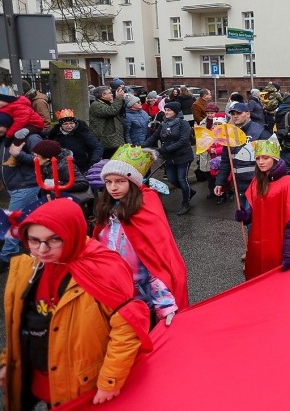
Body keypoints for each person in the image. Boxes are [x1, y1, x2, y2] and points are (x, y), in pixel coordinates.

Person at [1, 198, 151, 409]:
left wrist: (110, 380)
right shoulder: (28, 265)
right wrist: (11, 361)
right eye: (34, 240)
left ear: (72, 233)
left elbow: (128, 328)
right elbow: (20, 321)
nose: (42, 250)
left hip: (79, 387)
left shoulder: (103, 269)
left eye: (54, 239)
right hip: (38, 380)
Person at [94, 145, 189, 328]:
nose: (113, 187)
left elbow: (156, 263)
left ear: (132, 182)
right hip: (113, 297)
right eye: (108, 181)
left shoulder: (145, 209)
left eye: (120, 181)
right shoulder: (106, 213)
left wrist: (166, 304)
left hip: (143, 300)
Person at [238, 138, 290, 280]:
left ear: (275, 158)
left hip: (278, 245)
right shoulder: (257, 181)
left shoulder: (289, 184)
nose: (260, 162)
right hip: (258, 241)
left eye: (265, 158)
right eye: (257, 158)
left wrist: (289, 253)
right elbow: (255, 209)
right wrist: (246, 216)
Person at [0, 112, 45, 272]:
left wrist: (18, 154)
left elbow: (42, 160)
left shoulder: (31, 137)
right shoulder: (6, 139)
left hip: (26, 186)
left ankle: (6, 257)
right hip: (14, 186)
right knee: (32, 218)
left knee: (12, 220)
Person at [213, 102, 273, 213]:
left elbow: (274, 158)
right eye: (233, 113)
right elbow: (226, 161)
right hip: (238, 184)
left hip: (257, 183)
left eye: (239, 113)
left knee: (255, 219)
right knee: (246, 218)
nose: (235, 116)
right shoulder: (229, 134)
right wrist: (220, 182)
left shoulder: (260, 132)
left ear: (248, 114)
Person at [143, 101, 196, 215]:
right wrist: (142, 145)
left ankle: (185, 203)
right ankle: (189, 191)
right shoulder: (163, 124)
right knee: (172, 179)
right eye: (165, 110)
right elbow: (154, 137)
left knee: (182, 179)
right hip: (169, 157)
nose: (166, 112)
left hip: (183, 156)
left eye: (169, 110)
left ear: (175, 112)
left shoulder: (183, 124)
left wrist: (164, 149)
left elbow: (183, 141)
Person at [45, 109, 103, 174]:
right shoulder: (54, 134)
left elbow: (97, 147)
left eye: (71, 123)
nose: (69, 126)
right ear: (61, 125)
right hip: (61, 167)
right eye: (65, 124)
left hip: (82, 166)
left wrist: (93, 161)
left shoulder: (83, 132)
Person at [89, 85, 126, 158]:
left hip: (113, 141)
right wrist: (118, 98)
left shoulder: (106, 103)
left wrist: (120, 100)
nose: (112, 94)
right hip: (107, 142)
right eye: (110, 93)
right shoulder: (96, 105)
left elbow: (119, 112)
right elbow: (112, 111)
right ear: (103, 95)